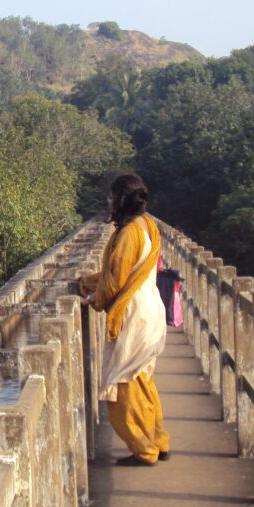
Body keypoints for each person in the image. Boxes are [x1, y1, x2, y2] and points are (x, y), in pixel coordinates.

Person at [78, 173, 170, 466]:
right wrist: (89, 283)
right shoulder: (147, 225)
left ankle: (144, 450)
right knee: (142, 378)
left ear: (120, 199)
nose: (109, 202)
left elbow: (116, 280)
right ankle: (158, 441)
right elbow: (121, 273)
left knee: (123, 383)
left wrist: (95, 299)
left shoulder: (130, 232)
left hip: (134, 315)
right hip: (150, 309)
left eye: (111, 197)